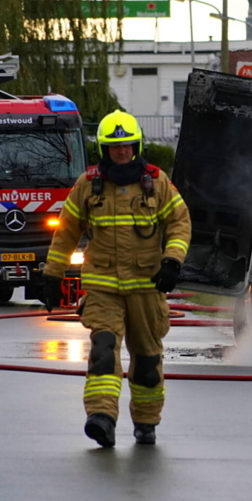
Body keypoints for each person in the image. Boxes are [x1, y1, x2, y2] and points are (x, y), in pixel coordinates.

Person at [42, 110, 191, 448]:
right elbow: (66, 231)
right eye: (114, 147)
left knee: (147, 361)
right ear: (104, 150)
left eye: (127, 146)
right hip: (103, 288)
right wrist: (52, 274)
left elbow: (180, 223)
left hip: (147, 288)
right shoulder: (88, 184)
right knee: (104, 351)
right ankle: (102, 417)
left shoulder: (157, 182)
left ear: (136, 146)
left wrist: (172, 260)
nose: (122, 152)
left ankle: (146, 422)